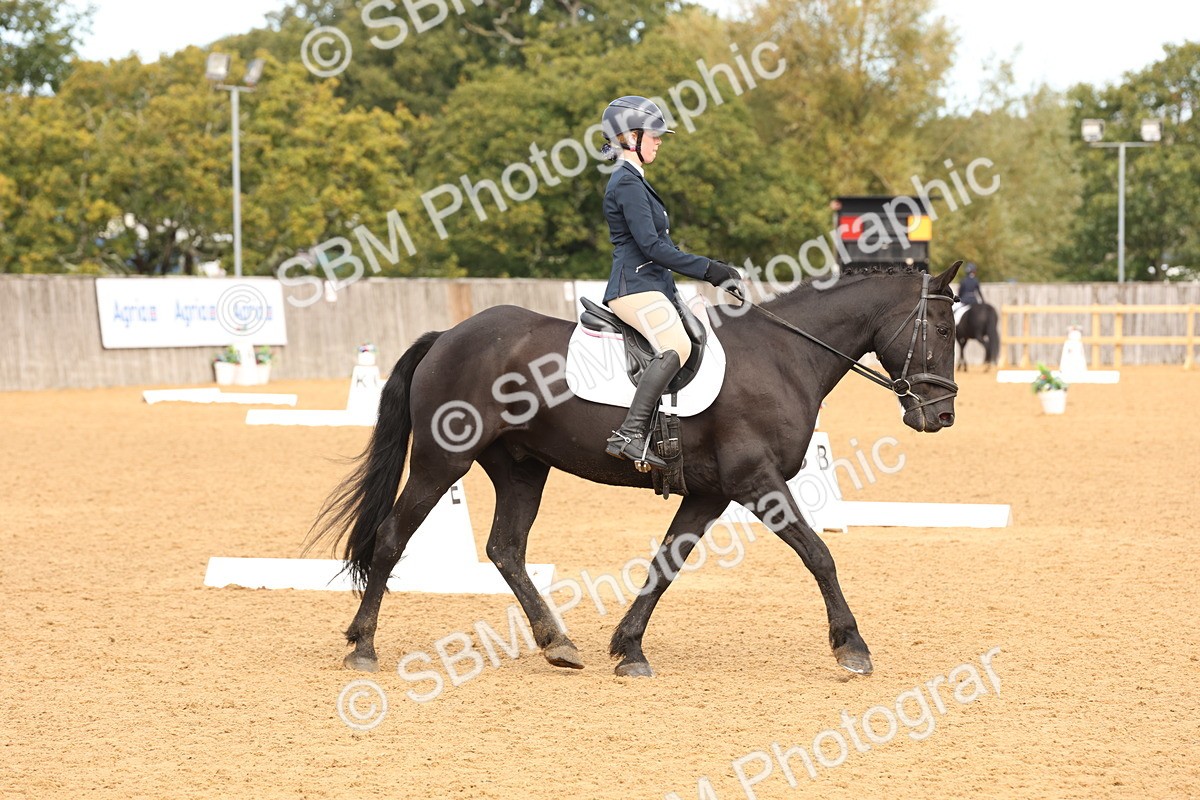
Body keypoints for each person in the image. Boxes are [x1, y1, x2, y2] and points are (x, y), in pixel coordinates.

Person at [598, 95, 744, 468]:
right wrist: (711, 271)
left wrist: (714, 267)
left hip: (654, 285)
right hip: (633, 287)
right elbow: (651, 247)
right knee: (676, 343)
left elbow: (664, 246)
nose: (660, 141)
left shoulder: (637, 181)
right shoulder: (626, 183)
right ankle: (630, 433)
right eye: (654, 135)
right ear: (631, 137)